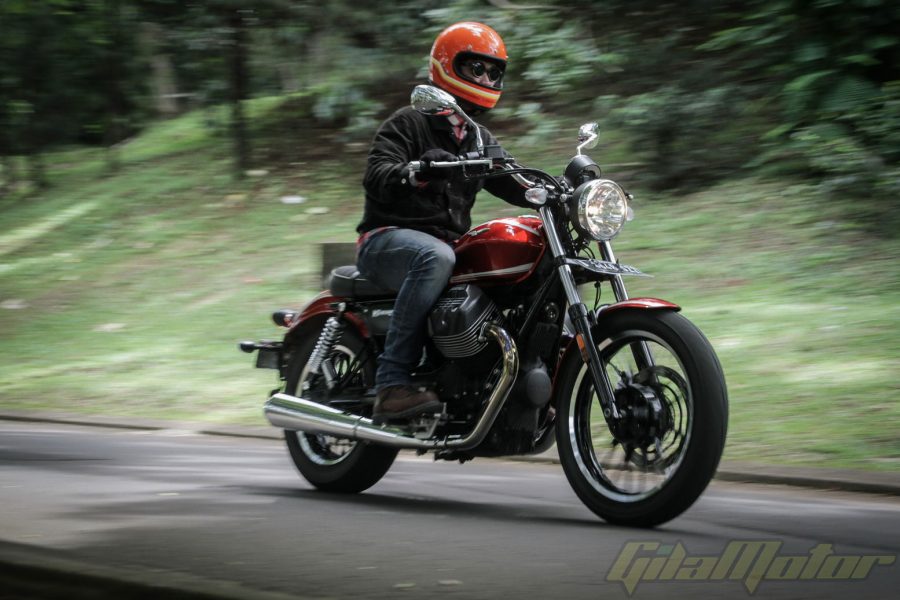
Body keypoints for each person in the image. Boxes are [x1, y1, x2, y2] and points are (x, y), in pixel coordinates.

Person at [356, 22, 532, 422]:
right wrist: (418, 170)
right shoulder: (408, 122)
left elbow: (515, 180)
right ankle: (391, 385)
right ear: (447, 65)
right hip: (387, 239)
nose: (486, 79)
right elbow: (376, 175)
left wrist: (564, 190)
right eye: (476, 68)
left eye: (493, 72)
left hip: (444, 246)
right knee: (436, 257)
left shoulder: (477, 137)